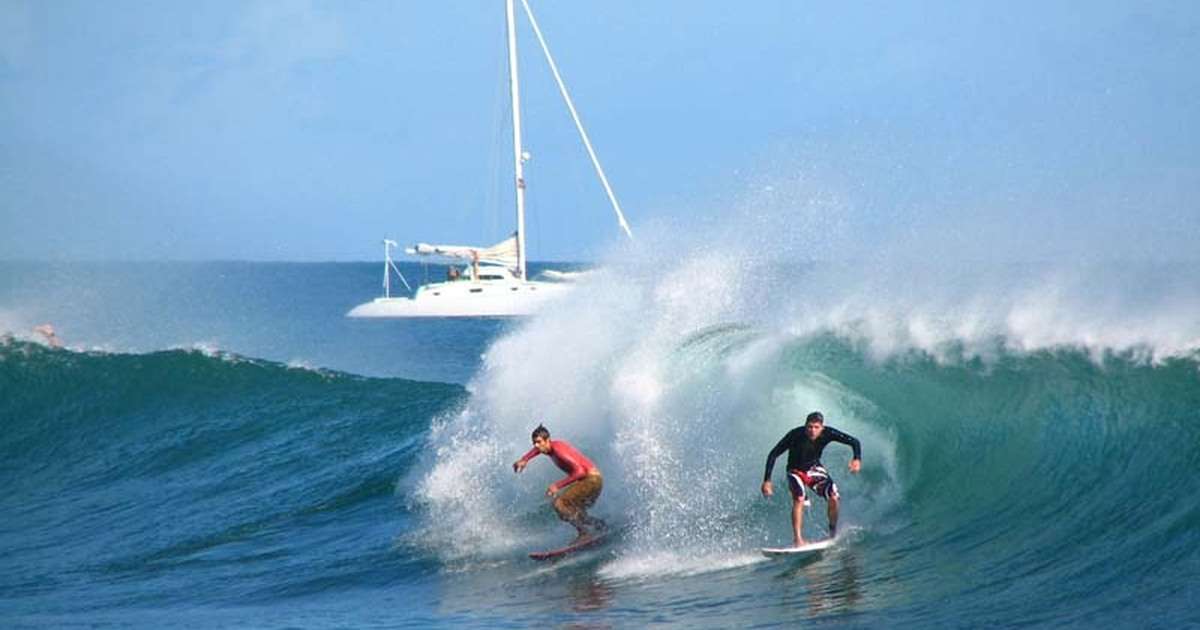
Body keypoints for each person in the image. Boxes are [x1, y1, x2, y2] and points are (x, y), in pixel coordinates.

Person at [761, 411, 861, 545]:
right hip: (795, 470)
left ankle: (832, 533)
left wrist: (856, 459)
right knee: (799, 499)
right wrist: (767, 480)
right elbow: (773, 454)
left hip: (814, 468)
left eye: (816, 427)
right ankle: (798, 539)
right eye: (809, 427)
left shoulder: (829, 433)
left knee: (834, 496)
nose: (812, 431)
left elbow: (854, 442)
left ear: (822, 428)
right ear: (805, 426)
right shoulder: (795, 434)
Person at [513, 424, 606, 542]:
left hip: (591, 480)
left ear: (548, 440)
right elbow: (537, 450)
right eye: (534, 443)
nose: (536, 446)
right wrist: (524, 459)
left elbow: (580, 471)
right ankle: (600, 525)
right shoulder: (549, 447)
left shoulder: (558, 451)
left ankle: (584, 533)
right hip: (593, 480)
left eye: (539, 442)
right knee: (572, 511)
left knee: (559, 504)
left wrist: (557, 485)